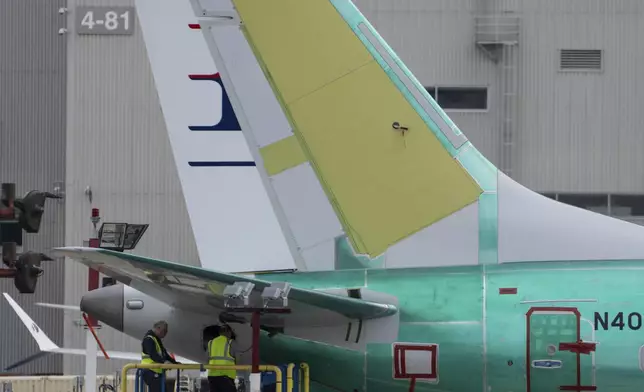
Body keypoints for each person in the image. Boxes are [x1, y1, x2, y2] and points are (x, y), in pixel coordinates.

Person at [140, 320, 180, 392]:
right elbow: (153, 354)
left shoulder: (157, 339)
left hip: (156, 372)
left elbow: (165, 355)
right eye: (164, 331)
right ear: (158, 328)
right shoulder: (149, 339)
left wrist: (175, 363)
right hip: (150, 371)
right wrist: (164, 362)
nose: (165, 333)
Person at [207, 324, 237, 392]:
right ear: (228, 332)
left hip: (212, 377)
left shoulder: (211, 343)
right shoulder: (230, 342)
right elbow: (237, 358)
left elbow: (206, 359)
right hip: (225, 377)